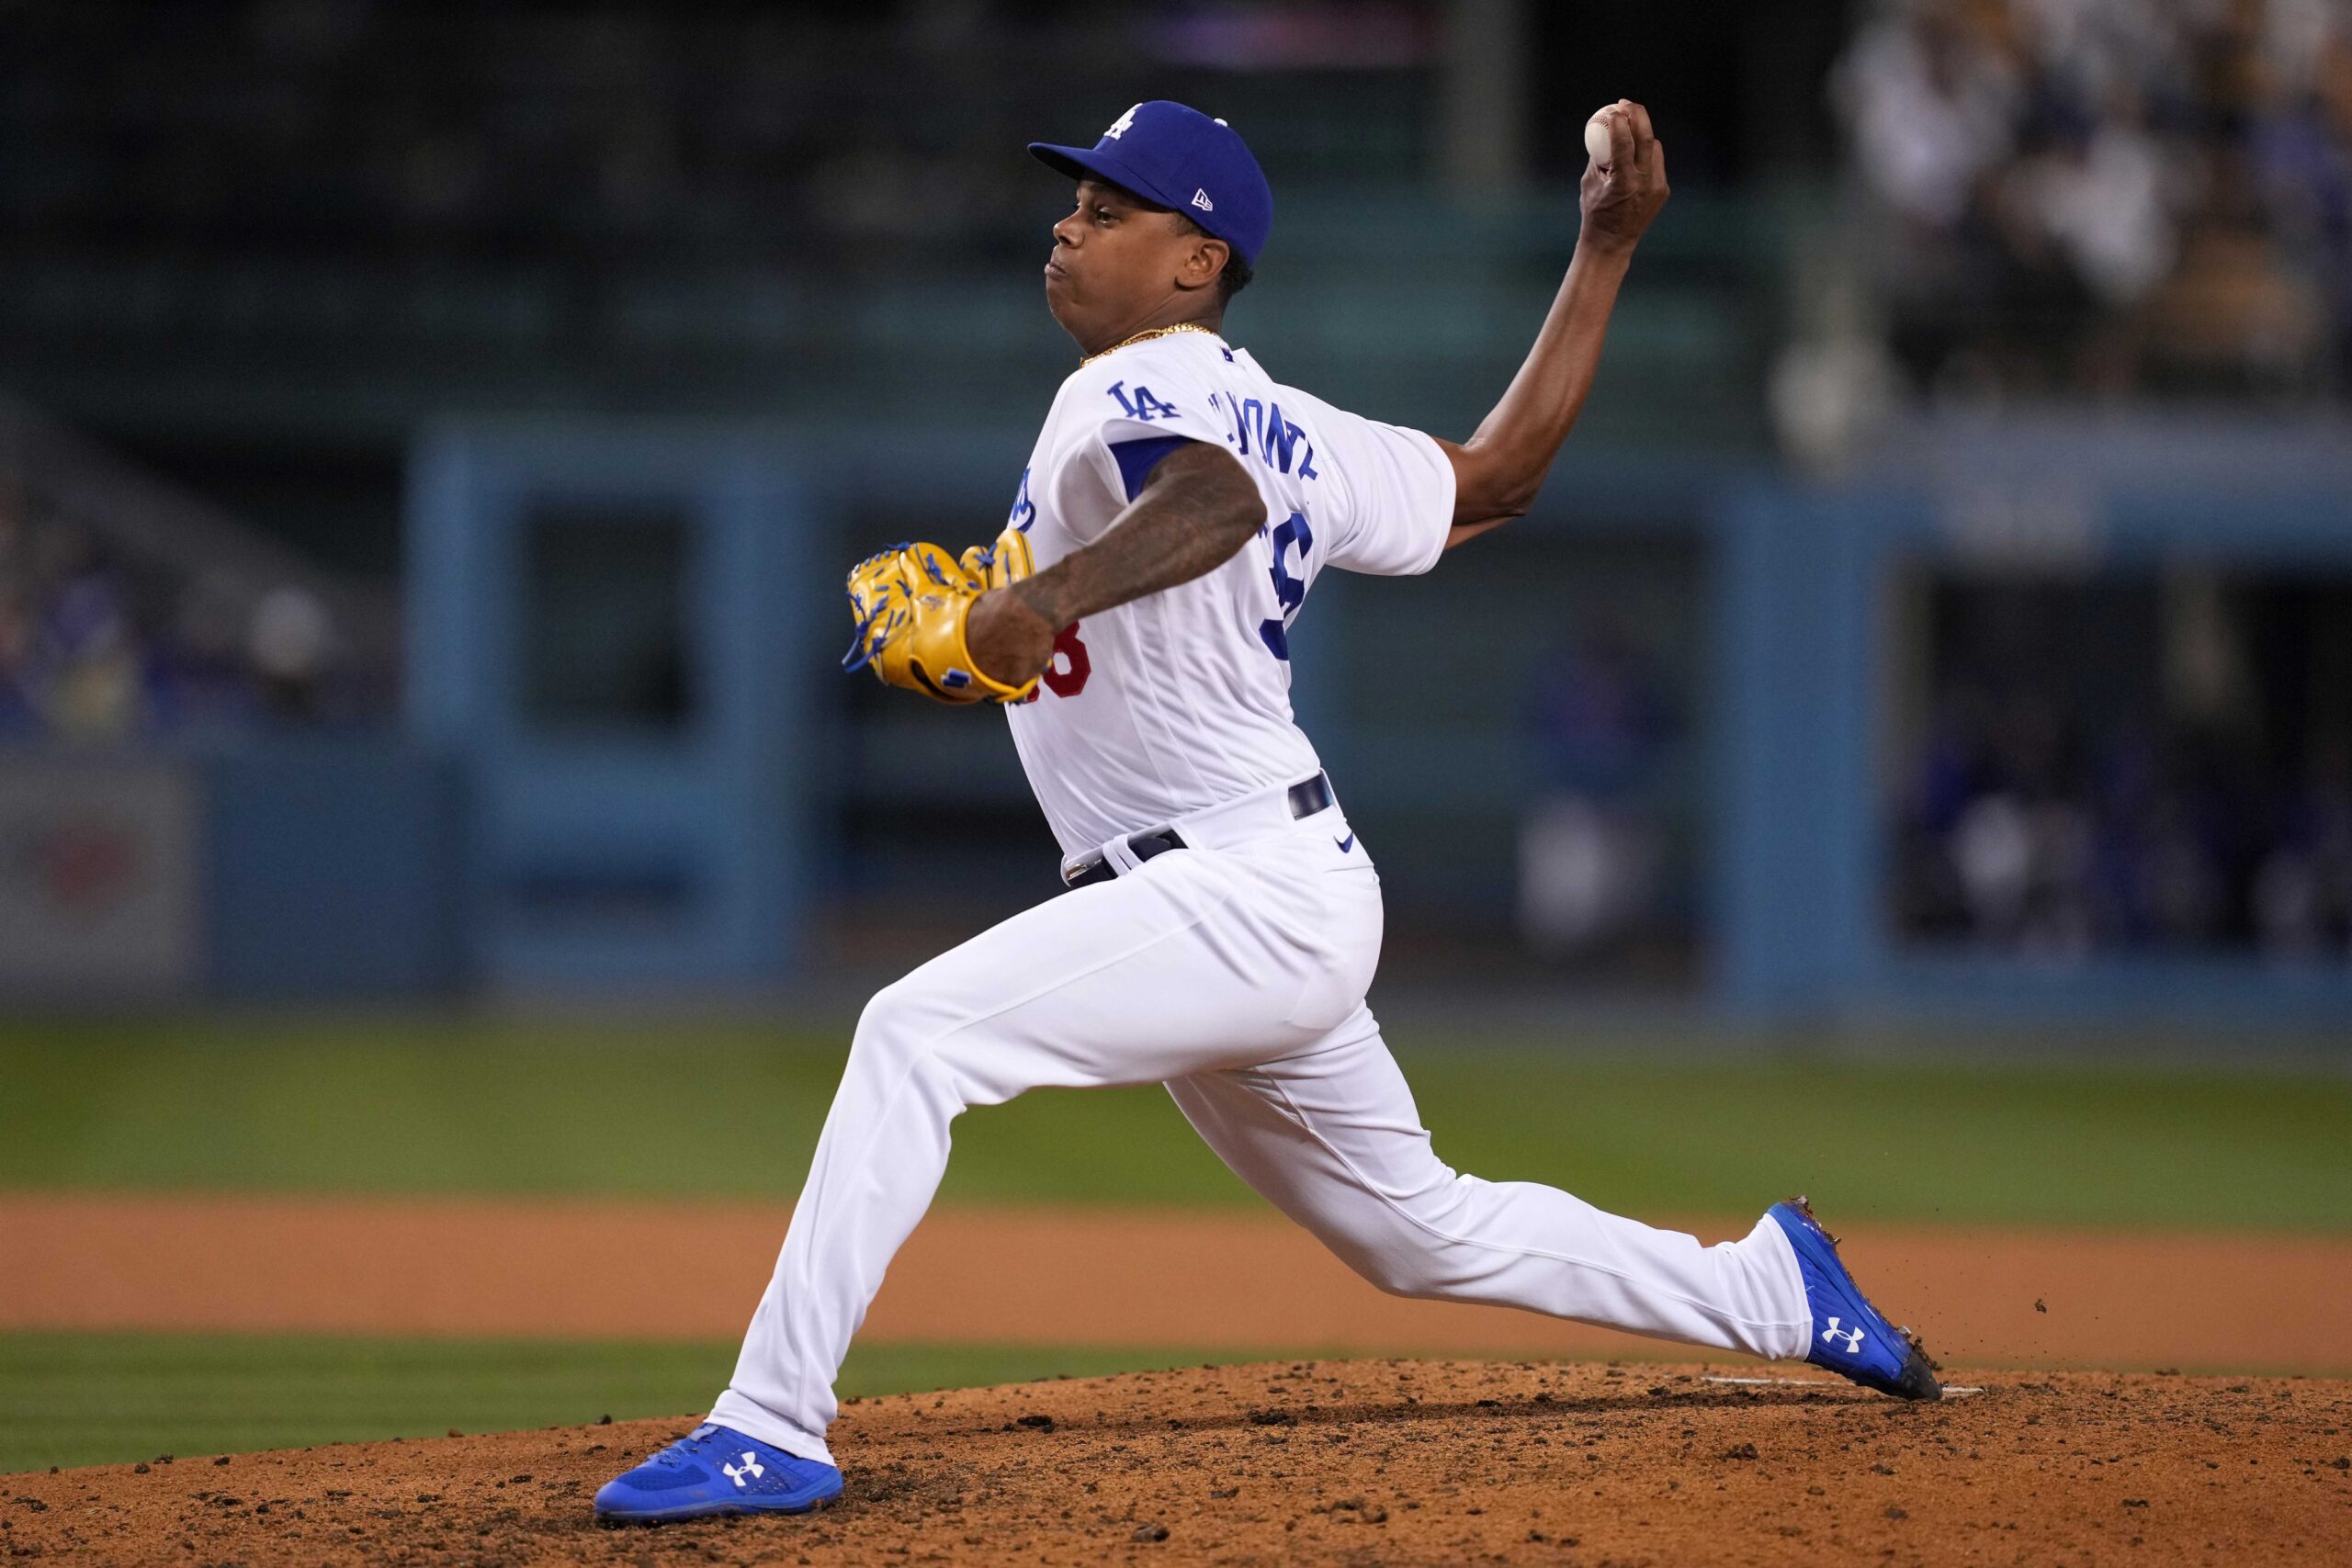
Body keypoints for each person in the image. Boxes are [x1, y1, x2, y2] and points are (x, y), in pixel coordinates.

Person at [594, 97, 1939, 1525]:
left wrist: (1040, 597)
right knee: (1416, 1232)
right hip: (1263, 881)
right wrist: (1604, 253)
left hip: (1231, 890)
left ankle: (772, 1421)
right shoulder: (1299, 425)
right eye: (1075, 201)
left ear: (1197, 261)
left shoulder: (1129, 394)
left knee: (912, 1035)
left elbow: (1217, 501)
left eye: (1112, 210)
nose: (1070, 223)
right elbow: (1498, 481)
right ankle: (1767, 1287)